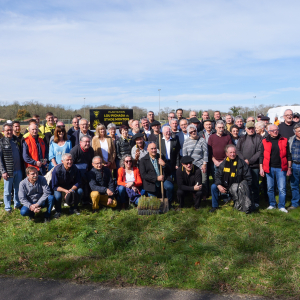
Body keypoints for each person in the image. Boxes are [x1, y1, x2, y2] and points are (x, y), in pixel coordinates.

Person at [259, 124, 292, 213]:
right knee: (270, 187)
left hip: (281, 168)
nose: (275, 131)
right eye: (273, 130)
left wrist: (289, 168)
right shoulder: (264, 141)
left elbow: (288, 155)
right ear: (269, 132)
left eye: (276, 129)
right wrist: (261, 168)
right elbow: (261, 156)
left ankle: (281, 206)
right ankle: (272, 204)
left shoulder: (284, 140)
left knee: (282, 188)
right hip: (269, 168)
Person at [210, 145, 252, 213]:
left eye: (234, 152)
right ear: (226, 154)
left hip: (237, 187)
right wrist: (219, 185)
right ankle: (215, 206)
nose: (232, 154)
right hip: (225, 185)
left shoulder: (242, 163)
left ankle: (239, 204)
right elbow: (217, 176)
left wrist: (242, 187)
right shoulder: (223, 164)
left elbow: (248, 178)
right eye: (230, 152)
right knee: (213, 187)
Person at [236, 121, 262, 208]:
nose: (251, 130)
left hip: (254, 166)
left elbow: (259, 151)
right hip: (243, 166)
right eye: (249, 128)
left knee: (255, 184)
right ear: (246, 129)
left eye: (252, 128)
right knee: (244, 184)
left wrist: (250, 161)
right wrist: (244, 160)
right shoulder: (242, 138)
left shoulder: (259, 138)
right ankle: (244, 200)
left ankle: (256, 201)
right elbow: (238, 150)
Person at [139, 143, 174, 208]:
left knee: (169, 187)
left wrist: (164, 165)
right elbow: (144, 175)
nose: (154, 150)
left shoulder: (161, 157)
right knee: (154, 204)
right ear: (148, 149)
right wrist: (156, 178)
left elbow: (169, 171)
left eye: (155, 148)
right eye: (152, 149)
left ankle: (169, 204)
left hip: (163, 180)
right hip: (151, 183)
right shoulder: (143, 160)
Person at [0, 123, 24, 213]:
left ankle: (17, 204)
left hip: (18, 170)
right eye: (7, 130)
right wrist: (3, 171)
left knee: (17, 189)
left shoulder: (16, 140)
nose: (9, 132)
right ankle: (7, 207)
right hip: (8, 171)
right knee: (7, 191)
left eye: (10, 130)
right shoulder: (1, 142)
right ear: (3, 131)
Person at [182, 124, 208, 198]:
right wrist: (186, 165)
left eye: (194, 131)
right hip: (190, 165)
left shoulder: (202, 140)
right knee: (192, 181)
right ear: (188, 133)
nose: (193, 132)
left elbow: (205, 153)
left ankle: (204, 195)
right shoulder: (186, 141)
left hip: (200, 164)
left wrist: (204, 164)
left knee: (203, 180)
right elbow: (185, 154)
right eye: (191, 132)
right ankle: (193, 195)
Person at [287, 123, 300, 210]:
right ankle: (295, 203)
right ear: (295, 132)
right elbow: (289, 155)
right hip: (294, 165)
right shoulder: (291, 140)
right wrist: (289, 167)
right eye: (299, 131)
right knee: (294, 185)